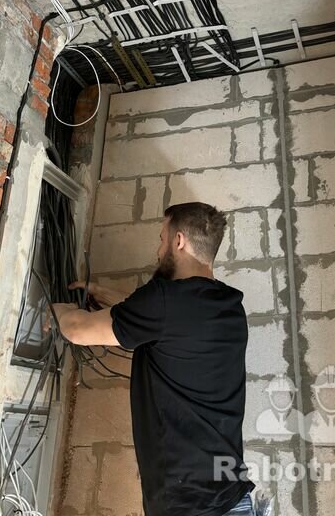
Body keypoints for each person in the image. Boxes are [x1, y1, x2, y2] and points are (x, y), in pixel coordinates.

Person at [53, 202, 256, 516]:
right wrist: (104, 294)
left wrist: (54, 308)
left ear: (179, 241)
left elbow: (77, 330)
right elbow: (168, 324)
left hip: (191, 508)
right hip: (231, 498)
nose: (159, 250)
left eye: (162, 239)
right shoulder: (230, 308)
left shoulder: (164, 301)